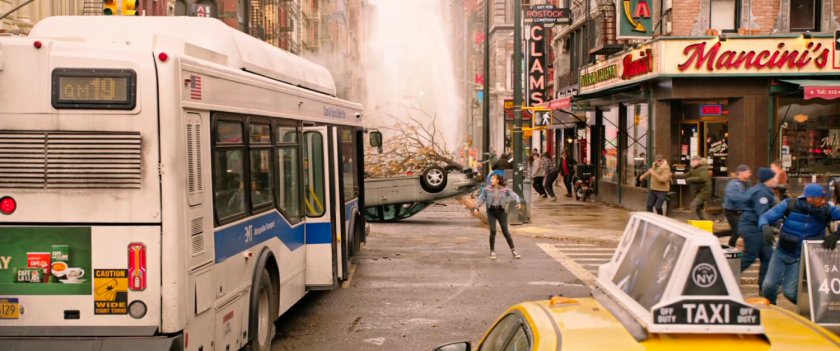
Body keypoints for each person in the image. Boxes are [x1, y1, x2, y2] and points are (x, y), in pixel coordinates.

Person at [759, 184, 840, 304]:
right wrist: (764, 227)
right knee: (768, 287)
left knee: (790, 292)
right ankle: (771, 311)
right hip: (781, 253)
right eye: (820, 198)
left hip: (801, 257)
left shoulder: (827, 209)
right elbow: (764, 217)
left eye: (825, 198)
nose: (824, 201)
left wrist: (837, 234)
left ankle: (811, 311)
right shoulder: (789, 204)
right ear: (809, 198)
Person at [739, 167, 778, 291]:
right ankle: (723, 275)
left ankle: (764, 287)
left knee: (768, 257)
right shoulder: (761, 193)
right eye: (774, 177)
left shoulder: (763, 190)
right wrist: (775, 223)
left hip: (758, 229)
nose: (776, 180)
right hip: (754, 229)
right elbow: (763, 213)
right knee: (750, 256)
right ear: (769, 179)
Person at [473, 174, 523, 260]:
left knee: (505, 232)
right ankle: (492, 251)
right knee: (493, 230)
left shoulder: (505, 189)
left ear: (498, 180)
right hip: (491, 211)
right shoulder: (487, 189)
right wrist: (476, 207)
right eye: (491, 178)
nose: (491, 180)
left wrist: (518, 202)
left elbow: (514, 195)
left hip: (501, 211)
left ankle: (513, 250)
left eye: (493, 178)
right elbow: (481, 198)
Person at [724, 165, 752, 247]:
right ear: (741, 173)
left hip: (740, 211)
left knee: (743, 230)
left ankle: (747, 248)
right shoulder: (733, 184)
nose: (750, 174)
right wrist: (747, 200)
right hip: (732, 212)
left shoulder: (745, 183)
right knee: (737, 231)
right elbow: (734, 197)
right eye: (748, 172)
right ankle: (730, 247)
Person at [685, 155, 711, 220]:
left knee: (693, 205)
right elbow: (685, 175)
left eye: (693, 161)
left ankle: (693, 221)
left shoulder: (703, 168)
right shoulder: (694, 169)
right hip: (698, 191)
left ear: (698, 161)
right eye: (692, 161)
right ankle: (703, 221)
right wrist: (673, 176)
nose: (692, 162)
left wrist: (691, 179)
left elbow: (703, 178)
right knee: (699, 207)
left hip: (704, 191)